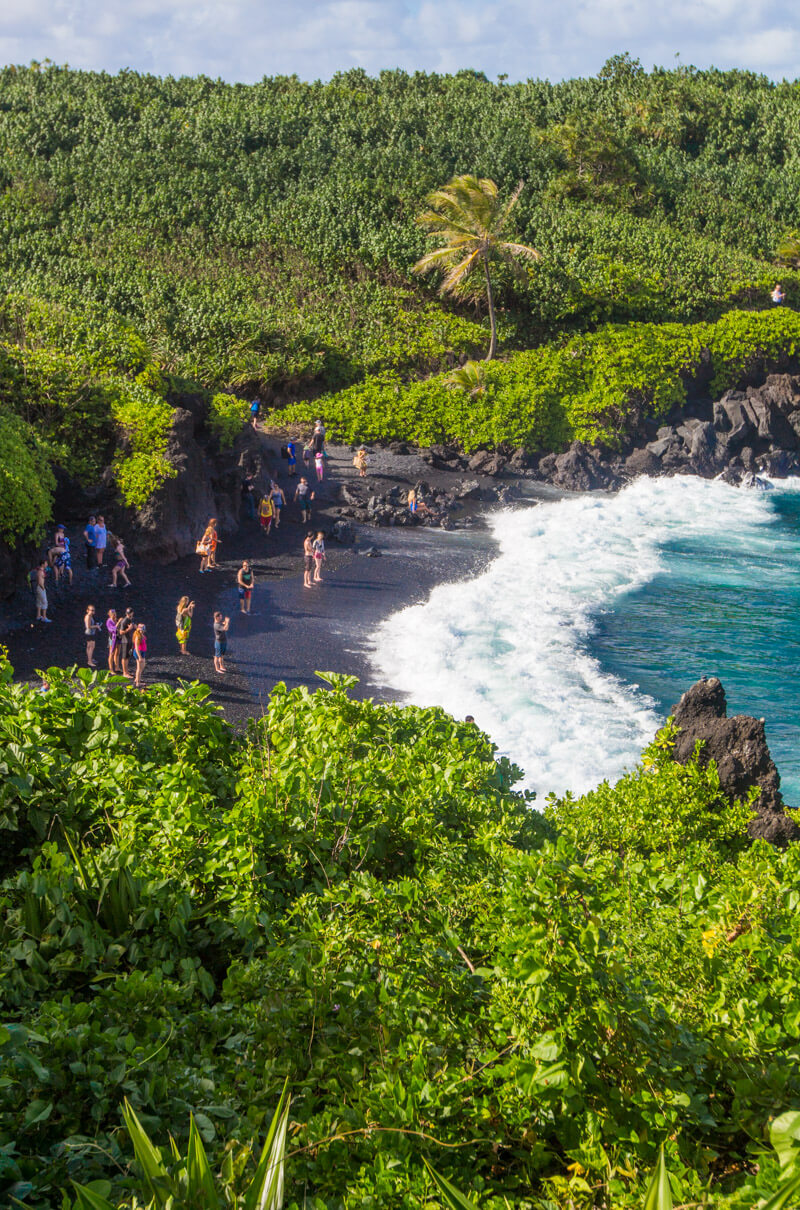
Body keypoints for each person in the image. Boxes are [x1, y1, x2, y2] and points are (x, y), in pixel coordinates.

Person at [117, 608, 135, 677]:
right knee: (124, 657)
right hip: (125, 641)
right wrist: (128, 629)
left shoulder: (130, 620)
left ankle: (127, 671)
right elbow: (121, 632)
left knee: (127, 656)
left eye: (130, 613)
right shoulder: (124, 621)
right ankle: (125, 673)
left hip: (129, 640)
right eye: (129, 613)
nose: (130, 614)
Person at [132, 623, 147, 688]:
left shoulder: (141, 634)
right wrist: (139, 656)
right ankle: (138, 682)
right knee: (139, 668)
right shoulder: (138, 636)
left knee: (142, 666)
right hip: (139, 652)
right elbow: (136, 647)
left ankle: (137, 678)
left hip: (142, 651)